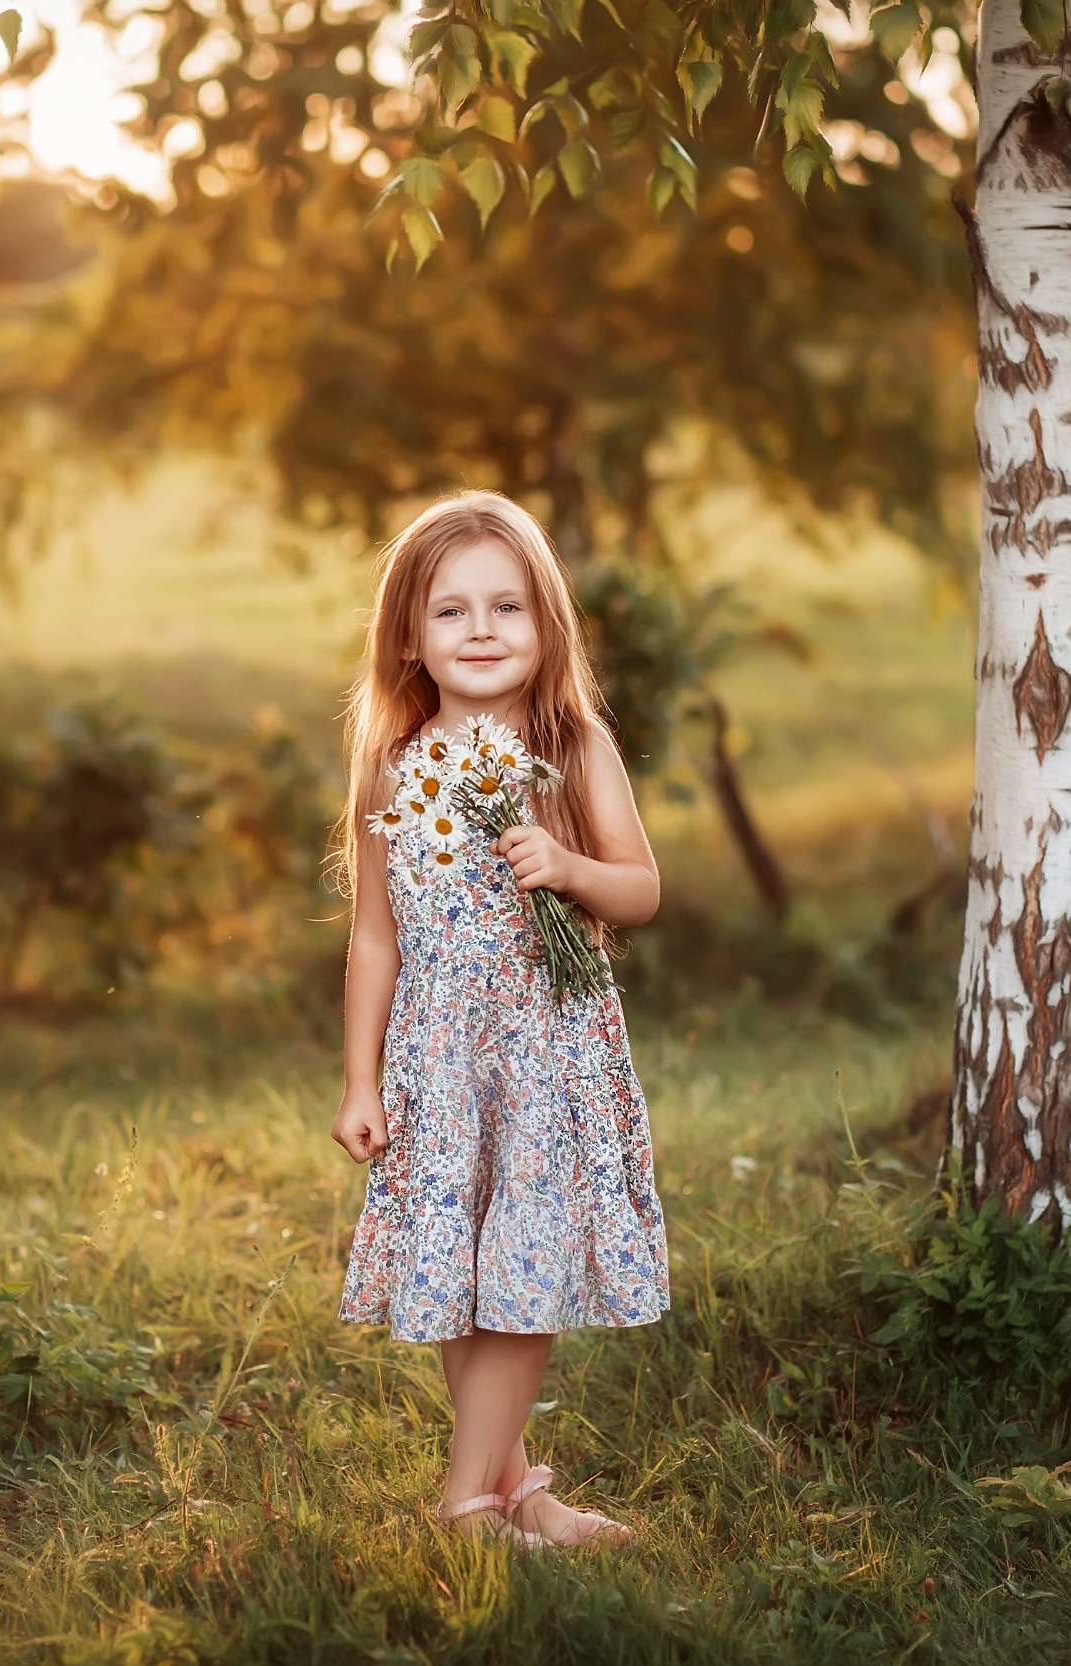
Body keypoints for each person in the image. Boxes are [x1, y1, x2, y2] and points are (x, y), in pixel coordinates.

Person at [331, 490, 670, 1551]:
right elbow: (374, 937)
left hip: (545, 1052)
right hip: (437, 1058)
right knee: (460, 1267)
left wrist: (566, 868)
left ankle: (463, 1507)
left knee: (521, 1275)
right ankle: (520, 1496)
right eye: (451, 612)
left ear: (545, 627)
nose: (481, 630)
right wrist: (360, 1079)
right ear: (409, 641)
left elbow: (641, 890)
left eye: (506, 607)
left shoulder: (574, 747)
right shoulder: (394, 769)